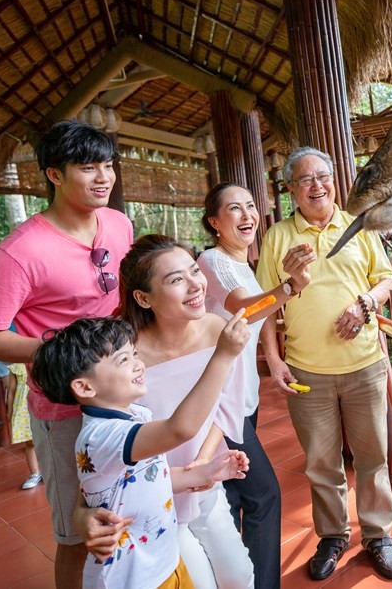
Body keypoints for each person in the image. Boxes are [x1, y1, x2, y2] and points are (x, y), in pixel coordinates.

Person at [0, 120, 134, 588]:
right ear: (54, 175)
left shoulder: (118, 224)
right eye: (87, 167)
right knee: (76, 534)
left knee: (130, 508)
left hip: (123, 393)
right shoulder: (20, 252)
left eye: (108, 165)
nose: (103, 177)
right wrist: (61, 351)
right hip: (62, 408)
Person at [256, 147, 392, 581]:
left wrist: (365, 304)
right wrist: (273, 359)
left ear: (334, 180)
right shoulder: (277, 237)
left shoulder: (359, 226)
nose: (317, 186)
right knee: (321, 461)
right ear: (290, 190)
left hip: (365, 364)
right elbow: (265, 305)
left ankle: (378, 534)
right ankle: (333, 534)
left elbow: (386, 279)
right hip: (306, 369)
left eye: (323, 176)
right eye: (305, 180)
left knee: (373, 455)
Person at [30, 315, 250, 589]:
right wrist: (224, 356)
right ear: (85, 387)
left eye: (134, 354)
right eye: (123, 360)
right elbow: (179, 429)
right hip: (134, 580)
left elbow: (151, 479)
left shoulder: (134, 414)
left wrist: (204, 473)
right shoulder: (102, 437)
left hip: (165, 563)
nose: (138, 364)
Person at [119, 234, 260, 589]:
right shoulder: (125, 356)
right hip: (156, 495)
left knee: (239, 576)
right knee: (198, 583)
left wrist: (204, 461)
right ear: (143, 298)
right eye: (176, 279)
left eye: (194, 271)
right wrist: (183, 474)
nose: (195, 284)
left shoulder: (216, 329)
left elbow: (229, 402)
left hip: (205, 479)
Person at [198, 182, 316, 588]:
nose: (247, 216)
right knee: (263, 496)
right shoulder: (211, 260)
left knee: (232, 496)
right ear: (215, 222)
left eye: (251, 207)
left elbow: (261, 313)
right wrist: (289, 286)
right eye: (235, 209)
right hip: (220, 404)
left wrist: (275, 357)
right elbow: (246, 309)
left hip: (242, 397)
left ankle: (232, 579)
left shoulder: (243, 263)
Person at [0, 358, 42, 489]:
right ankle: (34, 473)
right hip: (23, 408)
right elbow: (11, 391)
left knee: (46, 439)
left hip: (40, 405)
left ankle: (50, 469)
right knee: (29, 441)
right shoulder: (15, 367)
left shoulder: (41, 361)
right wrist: (10, 411)